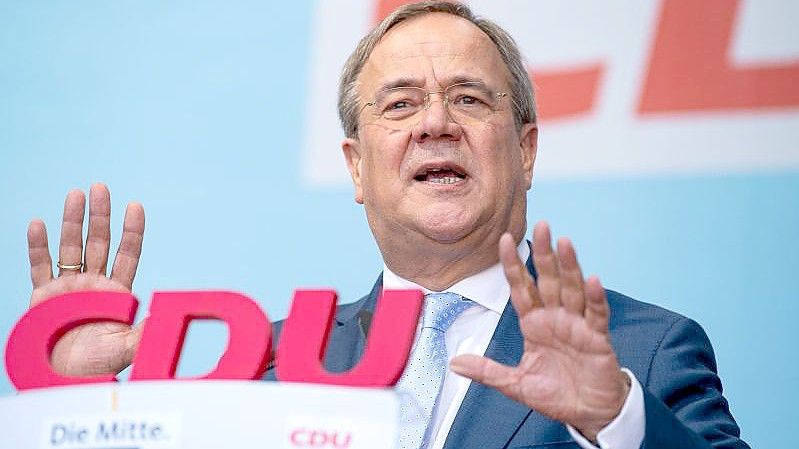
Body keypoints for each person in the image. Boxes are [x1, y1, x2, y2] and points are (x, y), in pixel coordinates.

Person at [24, 2, 748, 448]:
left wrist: (616, 420)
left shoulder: (642, 352)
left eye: (468, 98)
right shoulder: (267, 366)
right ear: (356, 168)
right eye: (399, 105)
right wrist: (67, 413)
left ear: (524, 149)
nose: (434, 123)